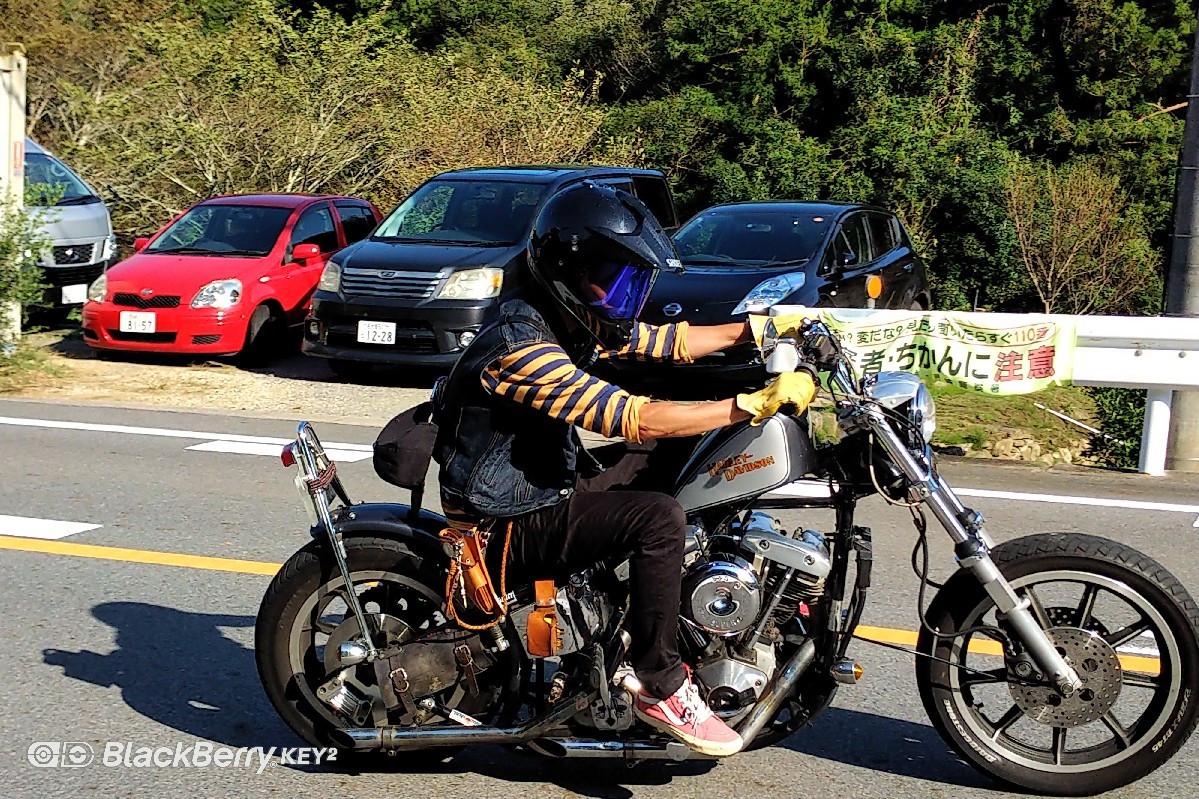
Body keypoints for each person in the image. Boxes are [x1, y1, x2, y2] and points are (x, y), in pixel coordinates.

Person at [431, 182, 820, 757]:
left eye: (627, 282)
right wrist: (751, 404)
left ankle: (612, 636)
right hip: (503, 521)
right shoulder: (520, 343)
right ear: (570, 268)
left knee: (674, 470)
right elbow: (627, 415)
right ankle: (660, 684)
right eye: (610, 278)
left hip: (534, 485)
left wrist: (759, 329)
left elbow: (665, 341)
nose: (618, 296)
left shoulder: (565, 314)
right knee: (658, 517)